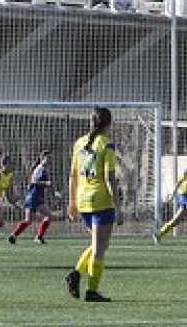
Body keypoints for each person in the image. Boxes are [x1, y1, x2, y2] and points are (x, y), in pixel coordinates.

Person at [65, 107, 122, 303]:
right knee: (100, 248)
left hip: (83, 199)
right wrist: (118, 206)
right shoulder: (106, 145)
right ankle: (91, 289)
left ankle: (76, 274)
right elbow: (109, 177)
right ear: (109, 124)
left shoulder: (79, 143)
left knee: (99, 244)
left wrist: (71, 202)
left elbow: (72, 175)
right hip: (101, 200)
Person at [8, 150, 53, 244]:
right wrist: (45, 183)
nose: (49, 160)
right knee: (30, 220)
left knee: (45, 216)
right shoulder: (39, 168)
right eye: (47, 158)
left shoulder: (43, 169)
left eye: (50, 158)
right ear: (42, 158)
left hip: (37, 197)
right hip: (33, 197)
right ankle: (17, 235)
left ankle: (37, 237)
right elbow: (32, 181)